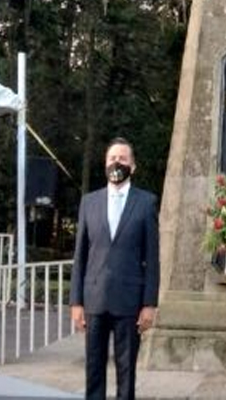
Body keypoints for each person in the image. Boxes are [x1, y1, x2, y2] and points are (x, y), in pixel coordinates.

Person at [70, 138, 160, 400]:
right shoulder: (89, 202)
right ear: (105, 164)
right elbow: (80, 256)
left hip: (130, 302)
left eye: (122, 158)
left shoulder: (146, 203)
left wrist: (149, 304)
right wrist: (76, 302)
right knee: (94, 370)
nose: (116, 163)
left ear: (133, 165)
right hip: (94, 300)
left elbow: (153, 258)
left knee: (126, 371)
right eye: (112, 159)